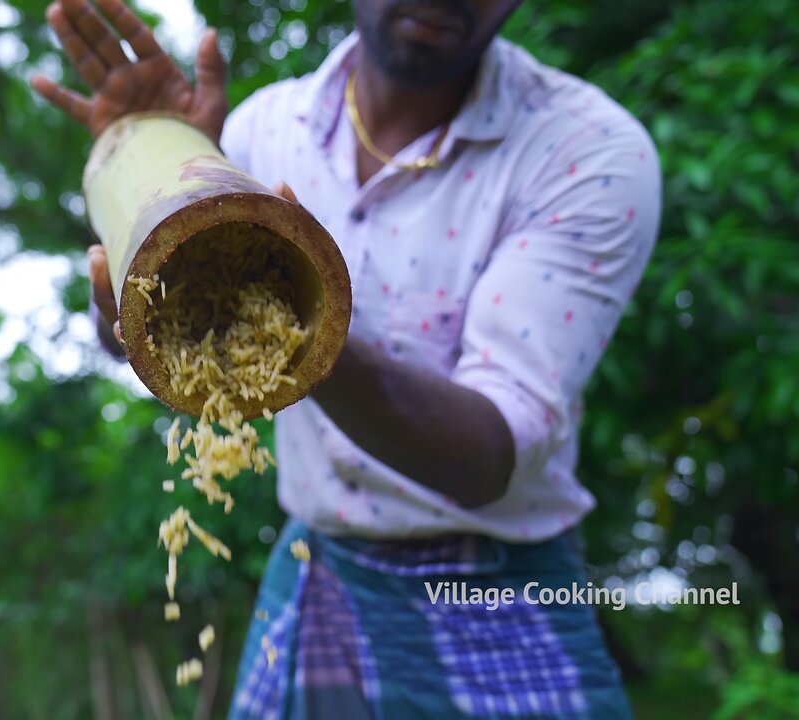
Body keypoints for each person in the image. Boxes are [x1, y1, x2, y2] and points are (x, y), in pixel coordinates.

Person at [33, 0, 660, 716]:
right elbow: (154, 341)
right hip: (318, 564)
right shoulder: (261, 130)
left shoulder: (588, 152)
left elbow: (490, 454)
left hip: (494, 584)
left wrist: (299, 325)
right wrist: (159, 177)